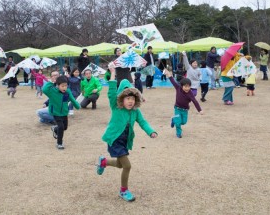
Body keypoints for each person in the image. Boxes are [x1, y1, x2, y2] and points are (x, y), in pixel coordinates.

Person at [95, 63, 157, 202]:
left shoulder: (135, 111)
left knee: (119, 165)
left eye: (132, 99)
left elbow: (143, 122)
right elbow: (111, 91)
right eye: (127, 98)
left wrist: (151, 132)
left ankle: (104, 162)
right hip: (115, 140)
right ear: (122, 99)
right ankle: (123, 191)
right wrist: (112, 73)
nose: (130, 101)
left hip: (124, 141)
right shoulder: (116, 107)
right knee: (127, 166)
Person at [43, 76, 80, 149]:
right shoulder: (52, 91)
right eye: (62, 86)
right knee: (61, 126)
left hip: (64, 113)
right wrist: (51, 82)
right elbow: (44, 89)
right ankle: (59, 143)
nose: (64, 88)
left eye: (66, 85)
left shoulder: (67, 92)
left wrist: (77, 106)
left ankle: (55, 129)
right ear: (57, 85)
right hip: (55, 112)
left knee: (65, 127)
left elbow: (72, 99)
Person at [164, 69, 204, 138]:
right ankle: (178, 133)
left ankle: (173, 120)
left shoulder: (190, 93)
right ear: (181, 86)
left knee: (184, 122)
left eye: (188, 86)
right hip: (177, 108)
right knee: (178, 122)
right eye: (185, 86)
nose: (187, 88)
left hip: (185, 110)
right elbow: (173, 82)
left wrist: (199, 110)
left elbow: (195, 101)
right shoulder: (178, 88)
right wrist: (169, 76)